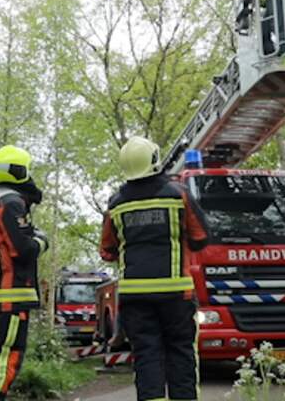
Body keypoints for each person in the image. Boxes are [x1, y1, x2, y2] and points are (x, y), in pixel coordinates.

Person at [99, 136, 212, 401]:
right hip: (176, 295)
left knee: (146, 356)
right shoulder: (178, 194)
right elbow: (201, 238)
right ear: (154, 159)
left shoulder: (116, 204)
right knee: (181, 354)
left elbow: (107, 251)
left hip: (134, 297)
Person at [0, 145, 48, 401]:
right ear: (17, 171)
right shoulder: (10, 203)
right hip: (11, 295)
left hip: (2, 296)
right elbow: (24, 249)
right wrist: (41, 240)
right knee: (5, 362)